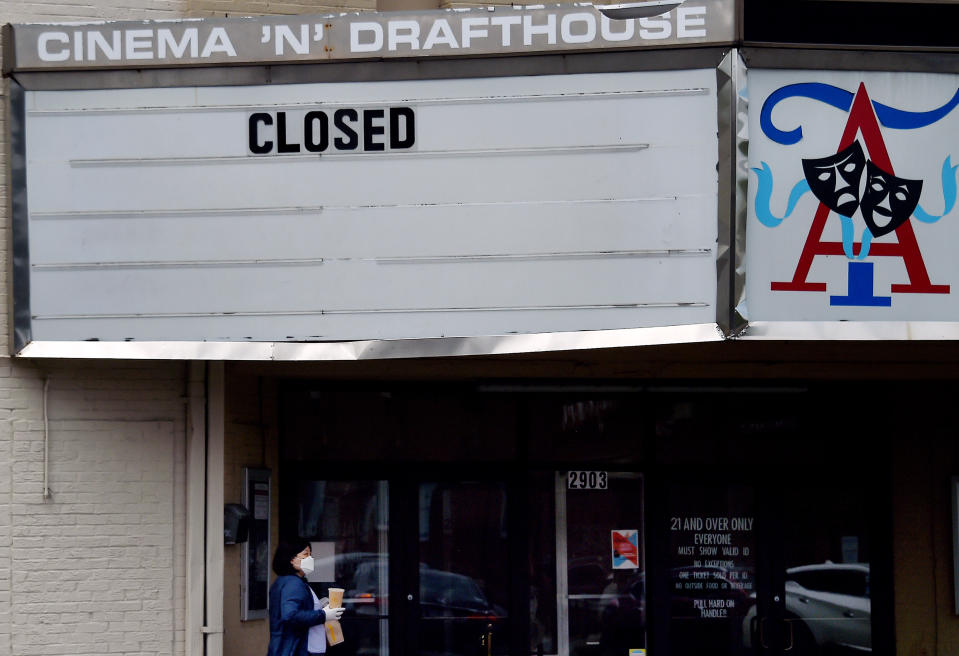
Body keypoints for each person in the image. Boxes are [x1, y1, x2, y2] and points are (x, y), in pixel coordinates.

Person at [267, 540, 346, 656]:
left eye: (310, 555)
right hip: (301, 650)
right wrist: (324, 615)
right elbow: (290, 615)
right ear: (292, 559)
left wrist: (318, 605)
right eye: (305, 554)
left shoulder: (288, 581)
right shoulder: (293, 583)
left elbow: (295, 609)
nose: (310, 559)